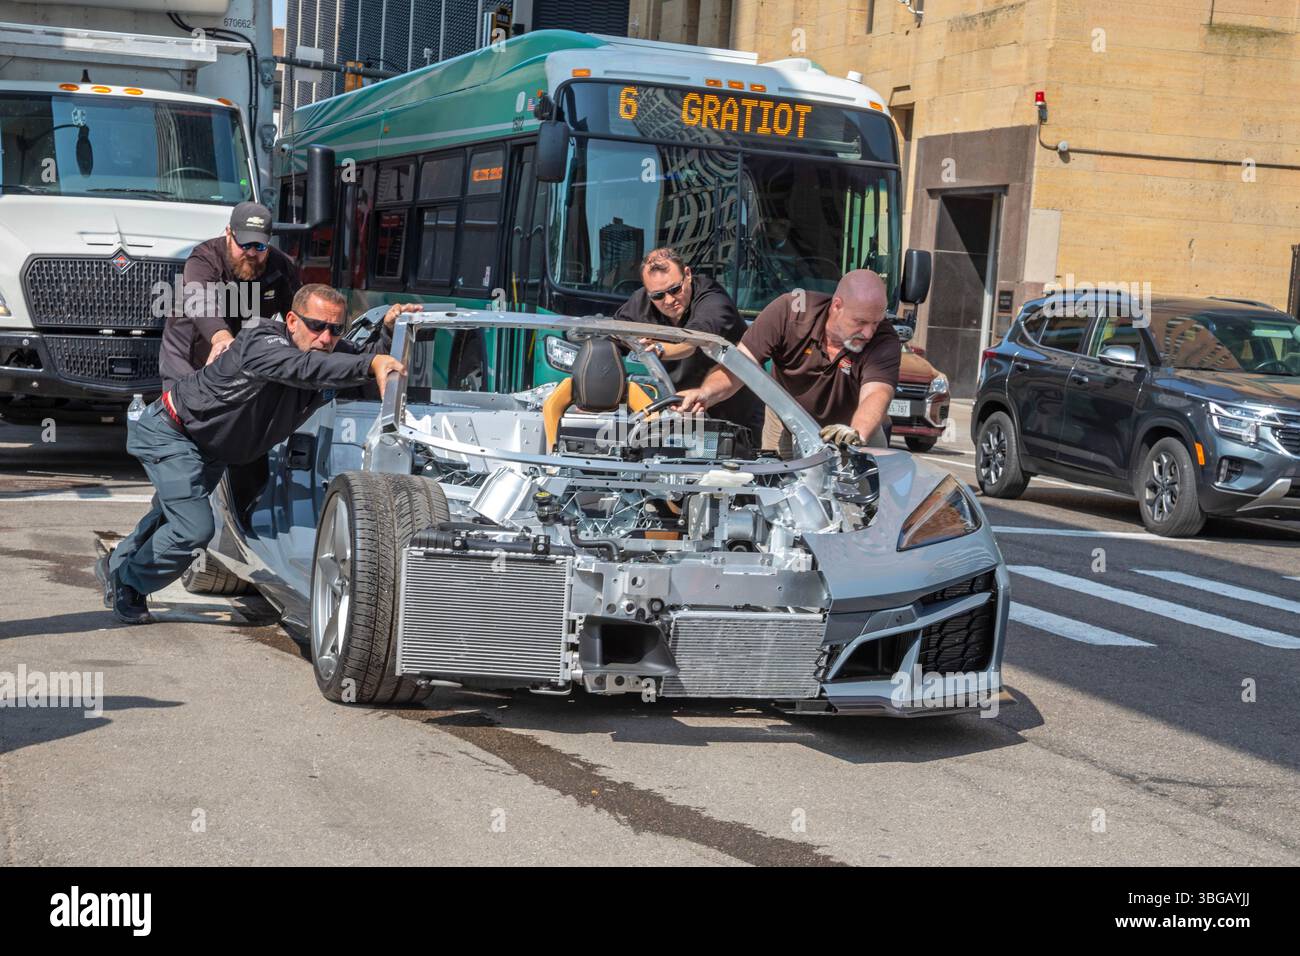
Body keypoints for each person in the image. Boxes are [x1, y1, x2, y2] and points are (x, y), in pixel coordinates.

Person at [96, 284, 415, 624]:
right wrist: (370, 362)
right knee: (194, 528)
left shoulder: (323, 351)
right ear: (292, 320)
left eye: (336, 329)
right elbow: (304, 368)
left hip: (214, 448)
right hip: (173, 434)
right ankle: (130, 583)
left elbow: (358, 369)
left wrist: (387, 334)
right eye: (317, 326)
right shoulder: (262, 341)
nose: (326, 337)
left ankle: (118, 565)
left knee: (169, 516)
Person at [675, 270, 900, 455]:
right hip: (787, 417)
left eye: (875, 322)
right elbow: (740, 367)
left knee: (868, 497)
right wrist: (706, 393)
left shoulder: (884, 338)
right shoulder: (790, 313)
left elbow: (876, 393)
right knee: (778, 488)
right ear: (837, 306)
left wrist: (856, 433)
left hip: (853, 423)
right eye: (860, 322)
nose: (869, 332)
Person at [612, 247, 764, 438]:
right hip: (680, 411)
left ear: (688, 274)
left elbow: (693, 340)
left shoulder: (713, 300)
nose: (668, 300)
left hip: (733, 415)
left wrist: (659, 348)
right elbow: (613, 337)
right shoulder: (641, 302)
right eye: (658, 296)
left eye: (675, 289)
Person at [159, 201, 300, 389]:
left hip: (243, 364)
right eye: (244, 243)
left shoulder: (281, 266)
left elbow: (299, 314)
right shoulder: (204, 259)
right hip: (189, 360)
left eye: (259, 246)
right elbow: (201, 302)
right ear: (228, 233)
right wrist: (222, 339)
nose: (251, 252)